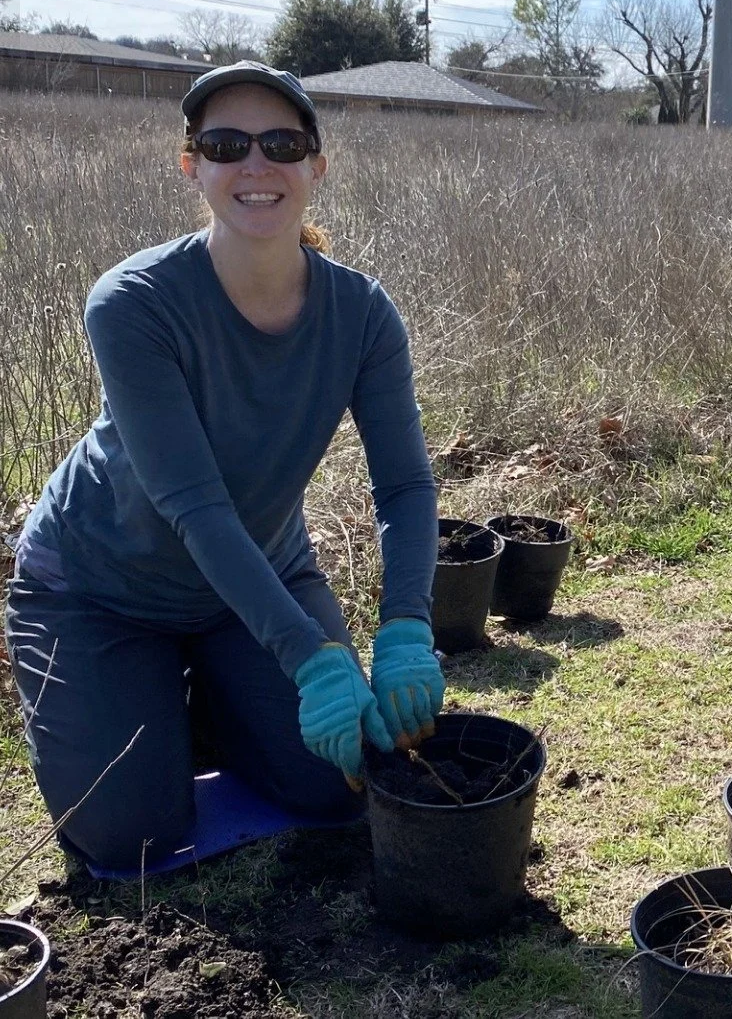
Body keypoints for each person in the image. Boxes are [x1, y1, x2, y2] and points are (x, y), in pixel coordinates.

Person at [3, 62, 443, 870]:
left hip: (257, 579)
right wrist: (312, 660)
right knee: (131, 838)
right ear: (192, 165)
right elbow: (194, 506)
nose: (255, 164)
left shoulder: (362, 314)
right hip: (100, 589)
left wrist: (407, 626)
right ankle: (143, 707)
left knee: (338, 784)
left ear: (317, 165)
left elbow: (407, 484)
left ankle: (216, 696)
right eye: (226, 145)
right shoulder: (133, 302)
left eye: (282, 144)